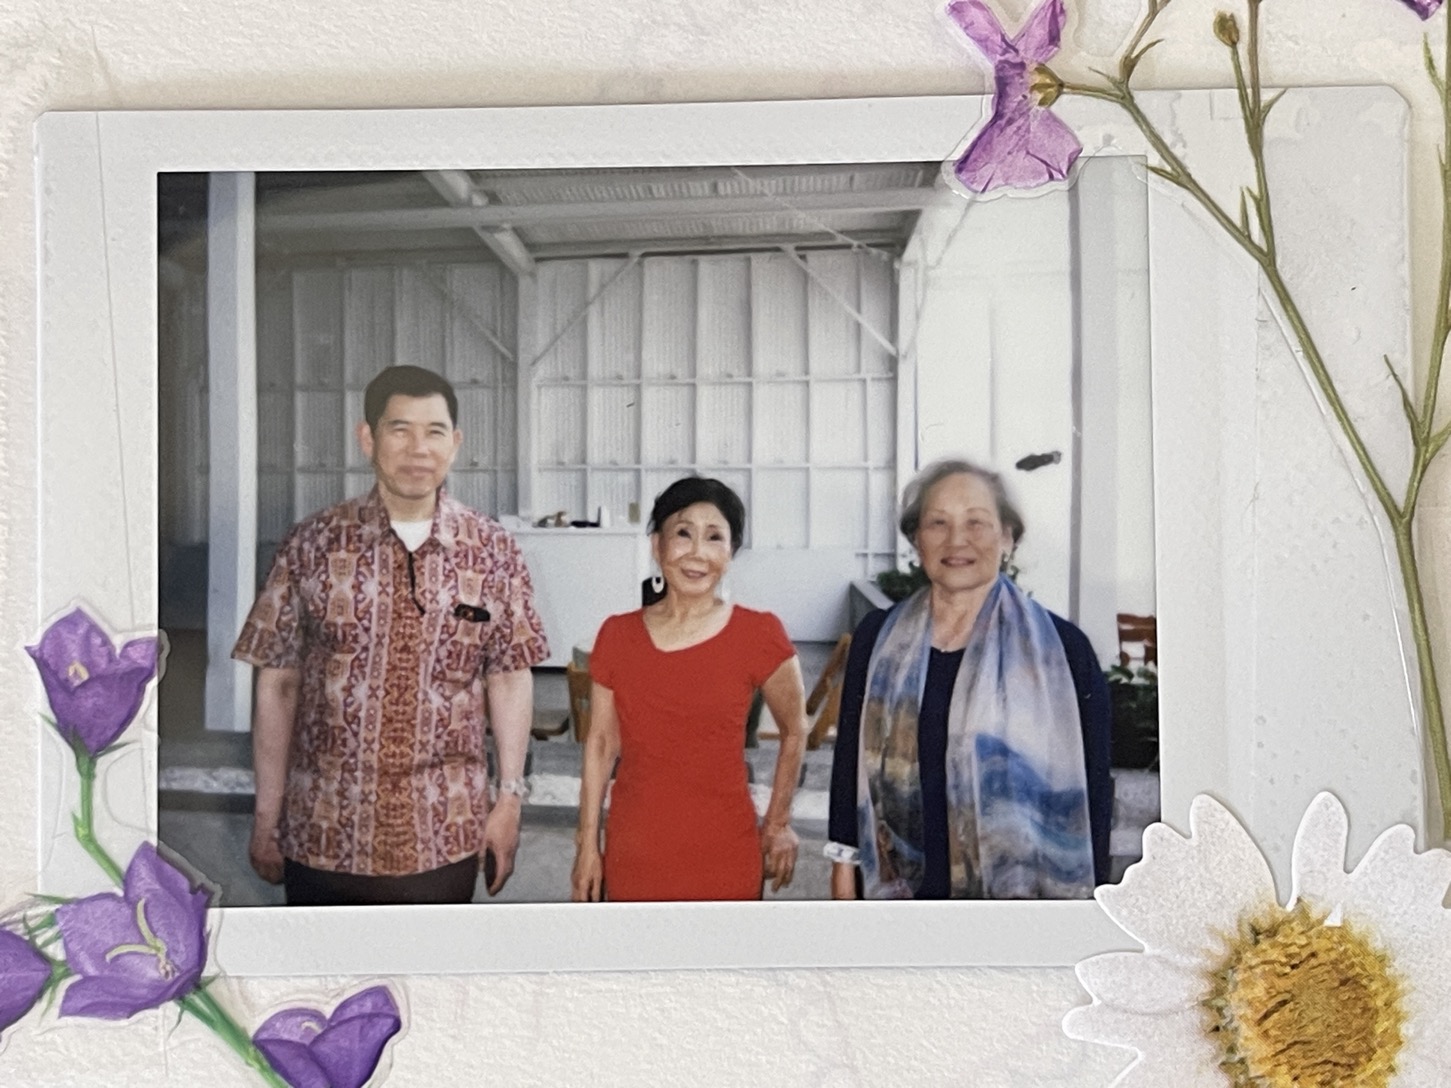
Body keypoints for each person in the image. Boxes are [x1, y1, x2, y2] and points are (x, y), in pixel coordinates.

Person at [233, 365, 549, 906]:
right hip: (322, 833)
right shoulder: (312, 544)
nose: (418, 448)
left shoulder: (493, 550)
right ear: (368, 438)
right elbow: (278, 684)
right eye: (400, 429)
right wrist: (267, 815)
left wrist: (509, 801)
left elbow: (509, 678)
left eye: (434, 432)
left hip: (443, 834)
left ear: (455, 444)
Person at [826, 458, 1112, 900]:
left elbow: (1090, 792)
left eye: (976, 522)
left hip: (1019, 897)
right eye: (937, 523)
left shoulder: (1062, 650)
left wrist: (1091, 901)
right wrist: (843, 868)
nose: (956, 540)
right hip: (900, 889)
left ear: (1007, 537)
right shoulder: (877, 639)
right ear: (916, 539)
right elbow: (849, 763)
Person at [571, 477, 807, 901]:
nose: (697, 552)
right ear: (656, 545)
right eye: (683, 533)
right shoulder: (617, 635)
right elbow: (601, 744)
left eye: (714, 537)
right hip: (634, 850)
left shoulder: (759, 634)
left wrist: (778, 821)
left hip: (725, 852)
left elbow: (795, 730)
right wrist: (588, 844)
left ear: (730, 553)